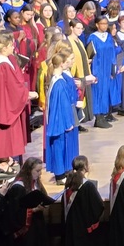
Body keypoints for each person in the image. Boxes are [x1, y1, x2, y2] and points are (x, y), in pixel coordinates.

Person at [4, 157, 54, 246]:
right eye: (37, 171)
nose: (39, 174)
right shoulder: (18, 187)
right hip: (25, 233)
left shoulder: (34, 184)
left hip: (36, 228)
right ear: (28, 170)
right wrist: (33, 210)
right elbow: (14, 212)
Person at [0, 29, 33, 170]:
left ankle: (6, 158)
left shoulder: (3, 61)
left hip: (1, 102)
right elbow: (11, 87)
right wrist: (26, 94)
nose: (14, 47)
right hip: (2, 105)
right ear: (4, 48)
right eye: (12, 45)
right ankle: (3, 162)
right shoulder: (2, 65)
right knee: (3, 135)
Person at [61, 157, 103, 246]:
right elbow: (98, 206)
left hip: (70, 228)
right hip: (82, 229)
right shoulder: (87, 186)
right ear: (86, 167)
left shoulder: (69, 183)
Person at [44, 50, 81, 181]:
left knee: (59, 145)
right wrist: (68, 123)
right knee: (59, 145)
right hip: (59, 120)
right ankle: (59, 175)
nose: (68, 63)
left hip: (58, 118)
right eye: (66, 62)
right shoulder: (59, 83)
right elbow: (63, 105)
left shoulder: (56, 80)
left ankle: (61, 174)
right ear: (61, 64)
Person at [86, 15, 123, 126]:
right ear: (97, 25)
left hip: (107, 69)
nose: (105, 26)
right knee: (98, 92)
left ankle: (105, 115)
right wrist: (94, 73)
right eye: (102, 23)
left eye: (106, 24)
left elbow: (112, 54)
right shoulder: (92, 38)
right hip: (97, 69)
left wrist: (113, 69)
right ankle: (98, 118)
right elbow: (91, 56)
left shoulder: (108, 37)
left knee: (106, 92)